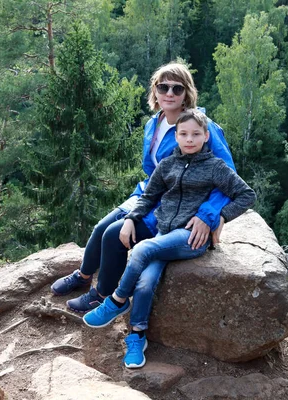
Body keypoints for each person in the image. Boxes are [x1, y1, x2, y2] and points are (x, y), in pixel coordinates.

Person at [50, 62, 235, 314]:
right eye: (163, 87)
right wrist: (140, 200)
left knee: (114, 235)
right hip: (150, 192)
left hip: (173, 203)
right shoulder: (154, 124)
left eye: (177, 88)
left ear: (187, 94)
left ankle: (102, 295)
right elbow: (154, 171)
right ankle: (83, 276)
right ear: (155, 91)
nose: (169, 93)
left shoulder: (201, 127)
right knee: (101, 227)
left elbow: (228, 176)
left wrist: (209, 215)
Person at [83, 109, 256, 368]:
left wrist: (221, 217)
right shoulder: (167, 165)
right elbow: (148, 197)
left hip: (190, 237)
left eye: (196, 134)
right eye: (183, 134)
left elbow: (246, 194)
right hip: (164, 232)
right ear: (175, 137)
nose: (189, 139)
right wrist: (131, 218)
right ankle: (137, 335)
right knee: (144, 284)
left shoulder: (215, 167)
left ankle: (117, 301)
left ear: (206, 136)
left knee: (141, 250)